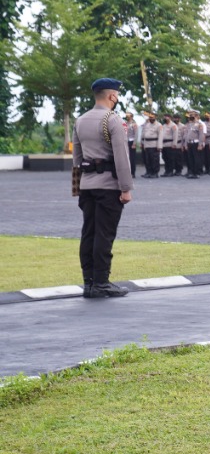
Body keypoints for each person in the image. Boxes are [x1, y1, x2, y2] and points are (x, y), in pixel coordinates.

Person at [72, 78, 134, 298]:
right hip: (108, 187)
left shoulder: (80, 120)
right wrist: (126, 188)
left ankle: (89, 283)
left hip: (87, 186)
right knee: (104, 235)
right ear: (111, 96)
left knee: (88, 233)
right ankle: (101, 282)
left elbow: (77, 159)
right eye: (116, 95)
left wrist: (77, 188)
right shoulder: (112, 120)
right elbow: (121, 158)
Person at [139, 112, 161, 178]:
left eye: (152, 117)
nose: (151, 119)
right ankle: (149, 172)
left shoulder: (158, 125)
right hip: (147, 144)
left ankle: (155, 173)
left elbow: (160, 136)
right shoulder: (147, 125)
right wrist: (144, 144)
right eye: (150, 117)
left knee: (154, 159)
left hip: (154, 144)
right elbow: (144, 135)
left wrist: (159, 146)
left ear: (155, 117)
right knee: (148, 159)